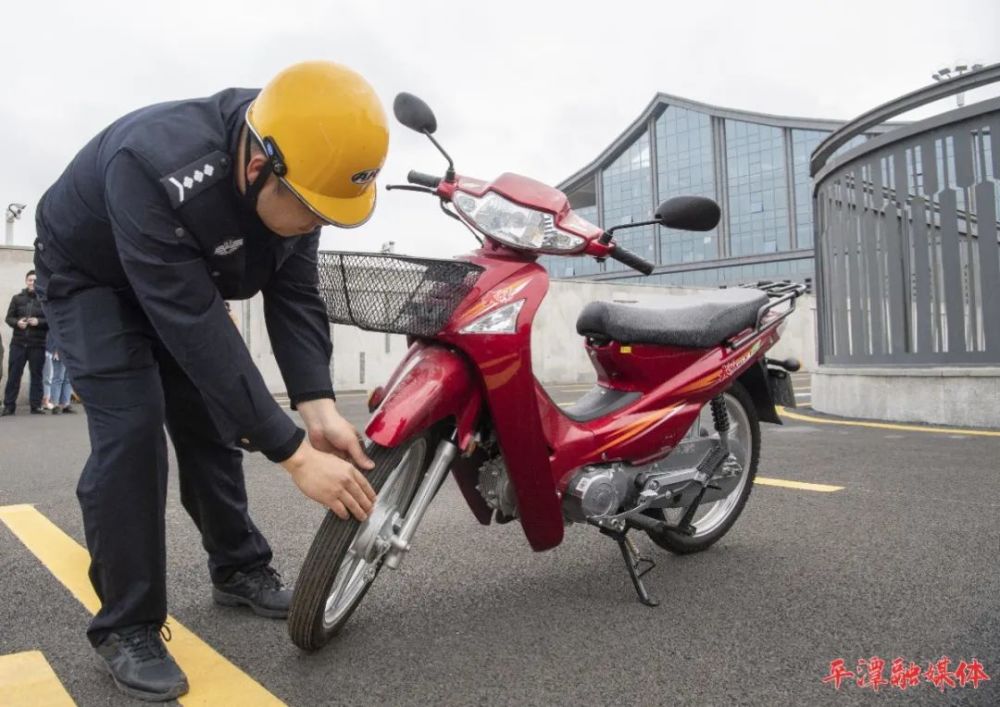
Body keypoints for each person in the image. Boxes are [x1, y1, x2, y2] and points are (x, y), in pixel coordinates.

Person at [33, 60, 387, 701]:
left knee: (210, 421)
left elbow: (295, 294)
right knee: (134, 431)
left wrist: (318, 408)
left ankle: (239, 569)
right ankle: (128, 626)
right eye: (310, 211)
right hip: (93, 281)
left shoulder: (304, 163)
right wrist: (293, 454)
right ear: (257, 167)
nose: (316, 223)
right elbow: (195, 325)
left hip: (176, 276)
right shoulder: (153, 163)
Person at [3, 270, 49, 415]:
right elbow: (8, 318)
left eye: (35, 280)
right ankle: (9, 406)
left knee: (37, 376)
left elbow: (51, 321)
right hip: (18, 344)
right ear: (26, 281)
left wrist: (39, 321)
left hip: (37, 344)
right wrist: (17, 322)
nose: (32, 283)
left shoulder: (44, 300)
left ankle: (36, 406)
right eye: (30, 280)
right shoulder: (17, 298)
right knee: (14, 376)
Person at [42, 332, 75, 414]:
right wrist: (56, 348)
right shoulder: (58, 319)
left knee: (68, 378)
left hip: (70, 349)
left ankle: (65, 404)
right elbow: (55, 331)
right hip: (59, 348)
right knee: (58, 377)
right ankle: (55, 404)